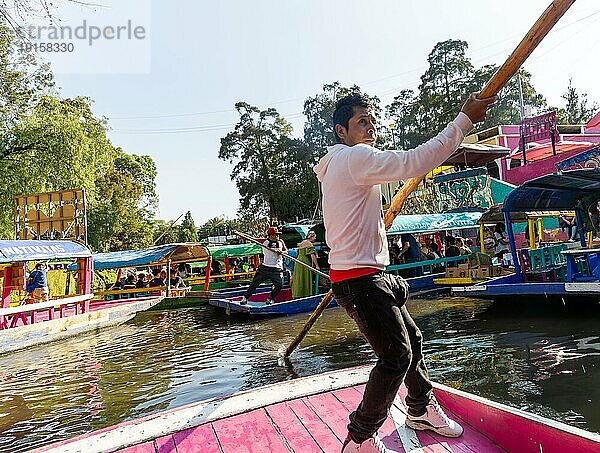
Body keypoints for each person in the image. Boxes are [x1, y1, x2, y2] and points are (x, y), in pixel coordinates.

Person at [314, 91, 495, 452]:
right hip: (360, 280)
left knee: (412, 341)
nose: (371, 128)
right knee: (396, 356)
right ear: (341, 131)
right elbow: (417, 160)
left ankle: (420, 408)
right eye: (361, 122)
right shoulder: (355, 158)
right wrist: (465, 119)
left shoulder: (339, 165)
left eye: (372, 120)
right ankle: (360, 438)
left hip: (365, 276)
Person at [240, 226, 287, 305]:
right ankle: (245, 298)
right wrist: (239, 234)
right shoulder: (264, 241)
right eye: (276, 235)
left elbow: (286, 251)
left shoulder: (281, 242)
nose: (277, 236)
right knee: (254, 283)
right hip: (265, 268)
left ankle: (270, 298)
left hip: (277, 268)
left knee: (279, 285)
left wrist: (282, 253)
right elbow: (251, 238)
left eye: (278, 235)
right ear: (271, 236)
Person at [292, 230, 320, 298]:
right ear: (311, 237)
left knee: (299, 279)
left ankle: (298, 294)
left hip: (298, 263)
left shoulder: (302, 243)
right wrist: (317, 266)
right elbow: (312, 255)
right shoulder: (309, 243)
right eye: (314, 237)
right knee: (305, 278)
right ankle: (305, 294)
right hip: (305, 263)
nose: (315, 239)